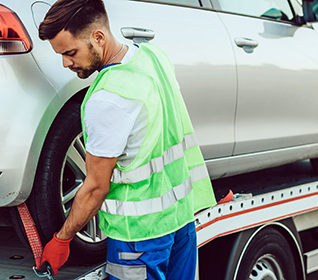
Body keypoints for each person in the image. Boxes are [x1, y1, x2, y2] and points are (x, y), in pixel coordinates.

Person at [36, 0, 217, 279]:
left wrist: (62, 239)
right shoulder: (153, 57)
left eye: (71, 52)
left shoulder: (108, 97)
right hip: (180, 221)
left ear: (98, 37)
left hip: (139, 237)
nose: (66, 63)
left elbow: (96, 187)